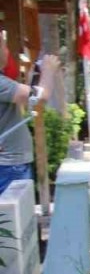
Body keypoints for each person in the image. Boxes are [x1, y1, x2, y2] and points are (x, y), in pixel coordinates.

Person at [0, 33, 51, 195]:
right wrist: (49, 70)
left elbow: (26, 95)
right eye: (3, 46)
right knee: (14, 218)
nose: (7, 51)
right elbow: (40, 97)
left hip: (10, 164)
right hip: (9, 165)